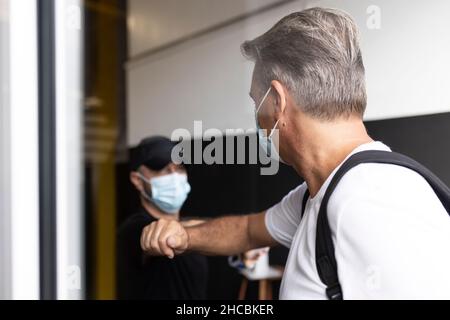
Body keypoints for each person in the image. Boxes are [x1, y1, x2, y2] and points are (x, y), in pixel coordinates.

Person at [140, 8, 450, 299]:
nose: (257, 118)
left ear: (277, 100)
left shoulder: (370, 203)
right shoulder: (319, 194)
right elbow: (248, 231)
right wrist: (184, 236)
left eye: (255, 101)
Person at [117, 136, 208, 300]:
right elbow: (164, 235)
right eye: (163, 169)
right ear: (137, 180)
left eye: (179, 168)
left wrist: (240, 253)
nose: (174, 177)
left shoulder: (192, 229)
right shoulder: (133, 230)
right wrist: (237, 235)